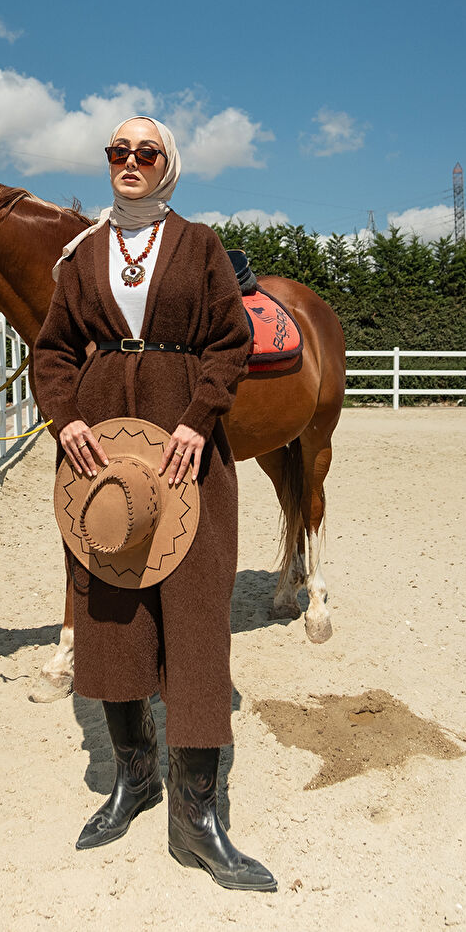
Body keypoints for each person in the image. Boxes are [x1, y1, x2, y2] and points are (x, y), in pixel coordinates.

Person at [33, 116, 276, 892]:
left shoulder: (199, 245)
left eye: (145, 152)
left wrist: (197, 421)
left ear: (168, 164)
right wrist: (66, 415)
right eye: (117, 151)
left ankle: (196, 819)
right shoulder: (82, 255)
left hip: (184, 446)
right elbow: (54, 348)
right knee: (110, 610)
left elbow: (230, 340)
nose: (128, 162)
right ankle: (133, 779)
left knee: (198, 615)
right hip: (103, 449)